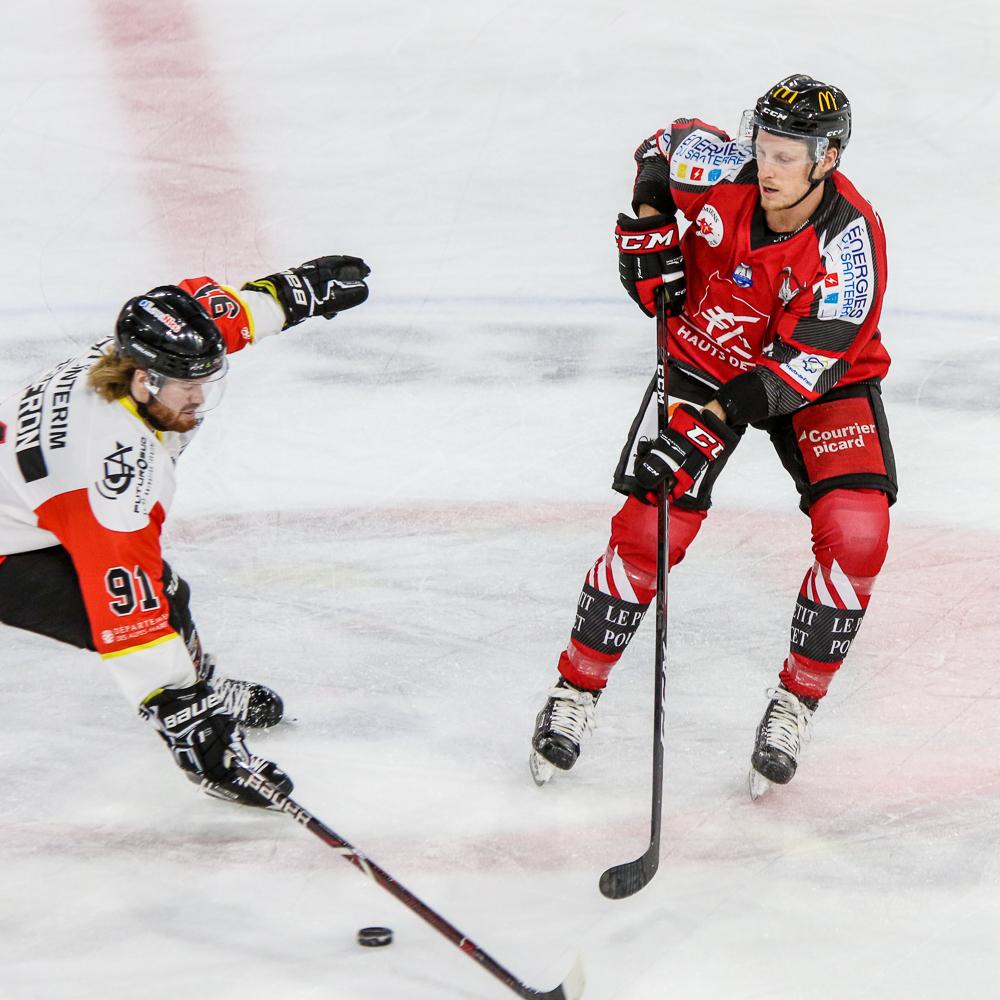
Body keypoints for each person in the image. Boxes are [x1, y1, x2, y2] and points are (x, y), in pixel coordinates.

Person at [529, 75, 896, 796]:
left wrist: (702, 430)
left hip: (814, 379)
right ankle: (576, 689)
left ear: (828, 159)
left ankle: (796, 702)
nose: (768, 166)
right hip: (705, 356)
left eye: (787, 156)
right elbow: (661, 147)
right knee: (650, 526)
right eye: (764, 146)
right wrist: (648, 225)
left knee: (858, 532)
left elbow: (805, 367)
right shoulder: (721, 166)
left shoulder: (850, 242)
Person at [0, 255, 370, 807]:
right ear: (143, 380)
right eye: (186, 387)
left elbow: (214, 315)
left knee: (169, 594)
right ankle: (200, 711)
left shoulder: (137, 359)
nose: (198, 399)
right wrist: (187, 720)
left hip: (29, 508)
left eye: (205, 382)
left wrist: (290, 295)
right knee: (157, 607)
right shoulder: (115, 474)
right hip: (14, 549)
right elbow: (128, 618)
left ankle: (203, 691)